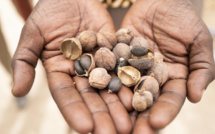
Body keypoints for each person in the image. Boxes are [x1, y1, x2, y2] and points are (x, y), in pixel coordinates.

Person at [11, 0, 215, 133]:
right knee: (84, 110)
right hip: (80, 10)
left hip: (154, 10)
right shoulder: (100, 53)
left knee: (145, 117)